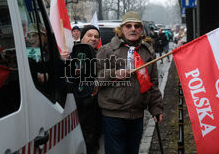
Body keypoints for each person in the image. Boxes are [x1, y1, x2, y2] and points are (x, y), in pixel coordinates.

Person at [96, 11, 163, 154]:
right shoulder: (106, 50)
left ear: (141, 30)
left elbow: (153, 83)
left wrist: (156, 108)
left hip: (137, 115)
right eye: (128, 25)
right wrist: (113, 73)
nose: (133, 29)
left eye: (137, 26)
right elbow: (94, 79)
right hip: (113, 115)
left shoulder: (147, 52)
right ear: (121, 29)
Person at [60, 25, 101, 154]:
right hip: (74, 109)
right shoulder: (71, 56)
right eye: (90, 35)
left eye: (96, 36)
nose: (93, 38)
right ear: (82, 37)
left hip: (96, 110)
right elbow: (63, 78)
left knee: (92, 144)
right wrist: (62, 61)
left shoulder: (103, 56)